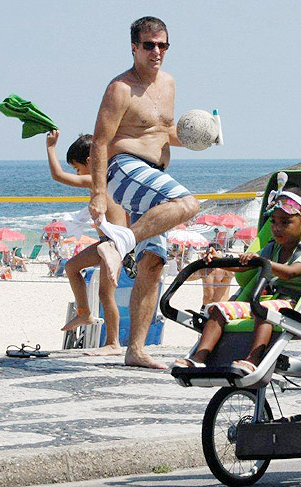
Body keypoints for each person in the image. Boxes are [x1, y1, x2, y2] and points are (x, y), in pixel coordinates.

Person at [88, 17, 202, 368]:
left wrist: (205, 136)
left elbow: (163, 131)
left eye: (163, 45)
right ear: (134, 47)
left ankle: (135, 350)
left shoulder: (168, 83)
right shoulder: (120, 88)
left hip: (153, 176)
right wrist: (97, 194)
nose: (157, 51)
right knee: (188, 203)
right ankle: (117, 243)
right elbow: (100, 142)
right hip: (124, 169)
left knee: (153, 264)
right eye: (149, 45)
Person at [173, 185, 301, 373]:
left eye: (285, 222)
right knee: (219, 309)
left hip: (288, 305)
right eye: (273, 222)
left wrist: (262, 261)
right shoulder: (271, 248)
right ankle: (199, 357)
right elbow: (244, 266)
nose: (277, 228)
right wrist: (218, 261)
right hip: (260, 302)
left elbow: (290, 272)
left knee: (264, 310)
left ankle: (253, 358)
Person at [46, 131, 129, 356]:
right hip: (107, 241)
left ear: (90, 162)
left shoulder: (98, 178)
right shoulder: (111, 179)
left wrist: (51, 147)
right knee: (72, 267)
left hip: (114, 244)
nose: (77, 173)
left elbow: (59, 176)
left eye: (77, 168)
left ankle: (113, 342)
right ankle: (84, 312)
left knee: (106, 294)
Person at [186, 243, 235, 308]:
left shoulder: (226, 270)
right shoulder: (204, 270)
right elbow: (187, 278)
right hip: (206, 306)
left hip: (221, 307)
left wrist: (219, 260)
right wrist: (200, 262)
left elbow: (233, 273)